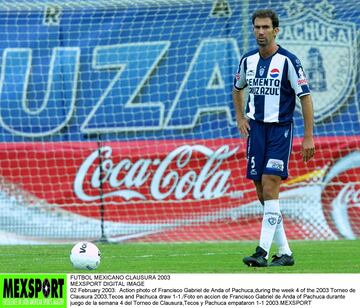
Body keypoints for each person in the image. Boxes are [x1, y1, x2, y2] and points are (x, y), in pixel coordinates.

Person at [232, 9, 315, 267]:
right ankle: (285, 252)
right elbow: (237, 88)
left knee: (270, 185)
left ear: (276, 30)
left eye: (266, 27)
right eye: (257, 27)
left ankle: (261, 252)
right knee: (264, 194)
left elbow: (305, 97)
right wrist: (240, 118)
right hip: (256, 130)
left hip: (280, 130)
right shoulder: (247, 61)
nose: (260, 32)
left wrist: (308, 137)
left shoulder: (289, 61)